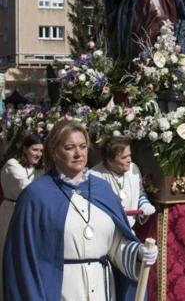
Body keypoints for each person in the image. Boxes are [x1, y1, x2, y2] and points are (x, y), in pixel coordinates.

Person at [3, 120, 158, 300]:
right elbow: (22, 260)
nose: (78, 153)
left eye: (83, 146)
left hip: (103, 289)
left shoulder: (102, 189)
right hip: (60, 290)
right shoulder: (36, 196)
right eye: (69, 147)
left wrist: (137, 253)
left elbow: (116, 245)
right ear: (54, 152)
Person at [0, 134, 44, 299]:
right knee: (12, 256)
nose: (38, 154)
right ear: (25, 149)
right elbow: (27, 189)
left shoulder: (41, 168)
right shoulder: (13, 164)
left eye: (41, 150)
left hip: (32, 215)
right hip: (13, 213)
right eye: (34, 149)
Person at [91, 136, 156, 228]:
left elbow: (139, 193)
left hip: (128, 229)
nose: (129, 160)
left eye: (129, 155)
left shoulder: (133, 169)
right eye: (124, 157)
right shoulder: (94, 176)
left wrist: (144, 204)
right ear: (109, 160)